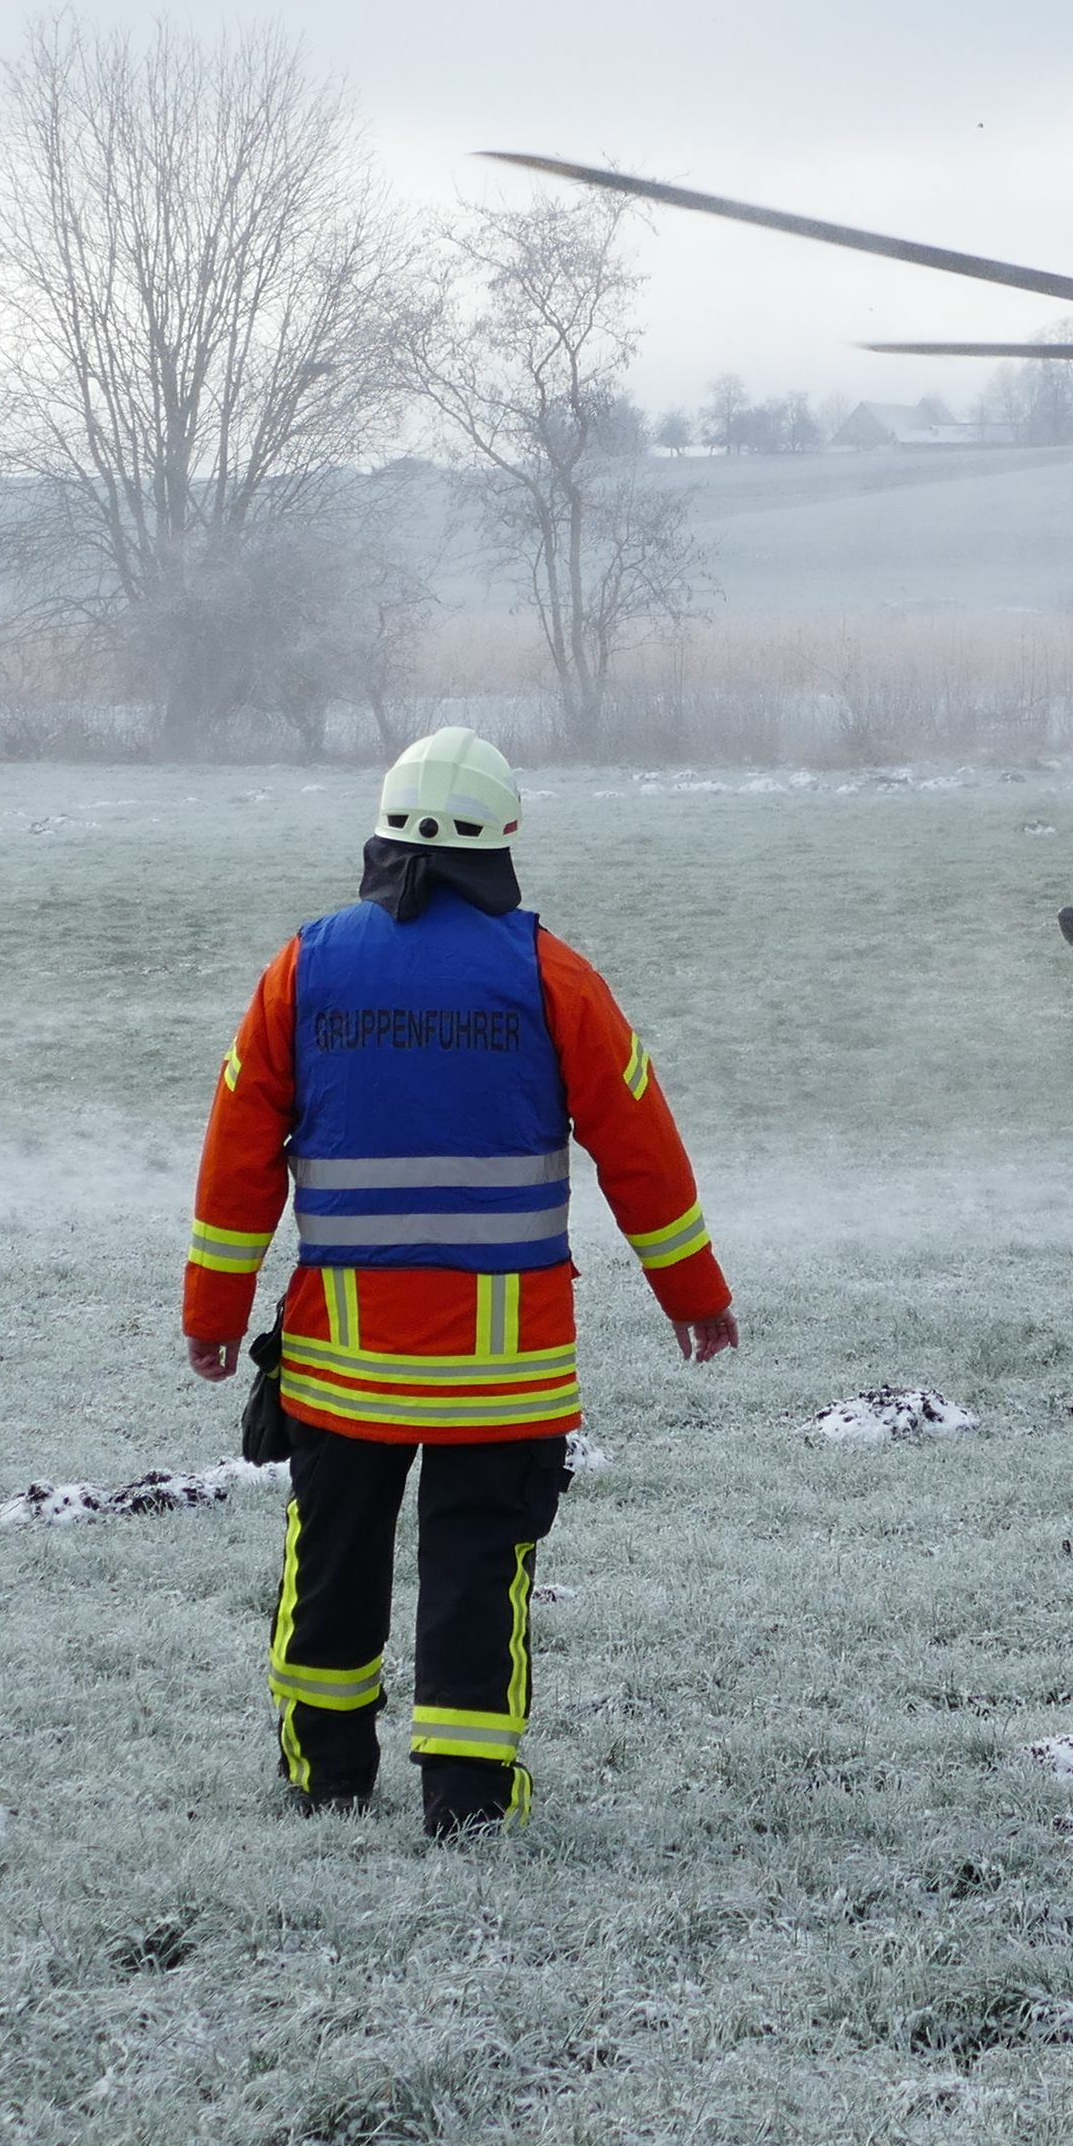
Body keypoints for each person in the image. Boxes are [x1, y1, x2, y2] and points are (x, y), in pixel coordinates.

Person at [180, 726, 736, 1835]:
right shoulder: (553, 976)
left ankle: (328, 1779)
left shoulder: (305, 967)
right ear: (504, 842)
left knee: (332, 1566)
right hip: (504, 1372)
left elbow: (238, 1152)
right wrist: (696, 1296)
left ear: (381, 834)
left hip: (343, 1366)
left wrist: (213, 1316)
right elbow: (641, 1149)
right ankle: (468, 1799)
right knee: (481, 1571)